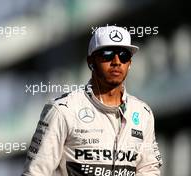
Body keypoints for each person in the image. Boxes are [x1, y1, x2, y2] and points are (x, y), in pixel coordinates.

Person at [22, 26, 162, 176]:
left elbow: (149, 169)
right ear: (91, 61)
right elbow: (35, 173)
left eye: (123, 55)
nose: (116, 61)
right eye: (107, 54)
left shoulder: (142, 113)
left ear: (130, 63)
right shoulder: (62, 110)